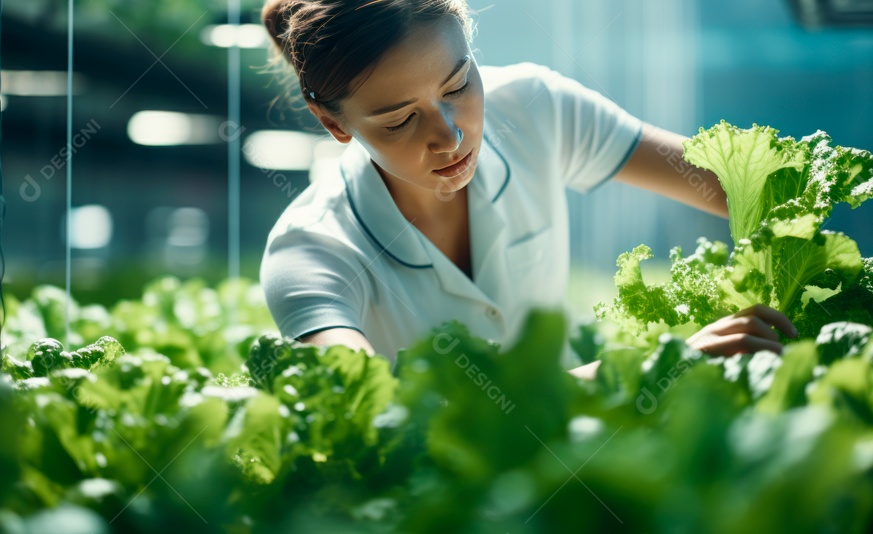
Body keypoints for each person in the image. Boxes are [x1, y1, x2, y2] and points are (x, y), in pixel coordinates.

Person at [257, 0, 798, 380]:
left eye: (458, 85)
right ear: (335, 125)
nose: (450, 135)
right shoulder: (309, 254)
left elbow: (736, 186)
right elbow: (379, 419)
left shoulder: (535, 107)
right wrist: (655, 368)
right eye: (400, 121)